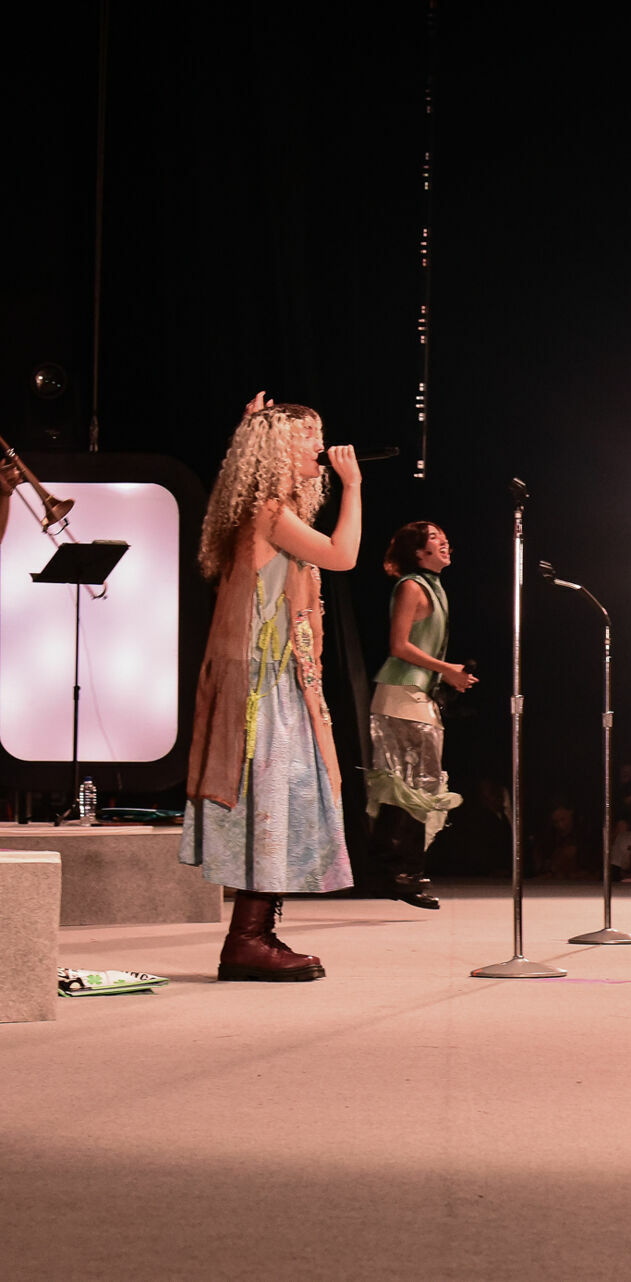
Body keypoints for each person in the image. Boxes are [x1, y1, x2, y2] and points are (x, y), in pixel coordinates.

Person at [179, 393, 360, 982]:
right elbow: (342, 555)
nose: (318, 447)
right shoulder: (267, 512)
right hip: (263, 687)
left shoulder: (269, 508)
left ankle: (256, 932)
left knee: (283, 800)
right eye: (307, 436)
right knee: (272, 800)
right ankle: (247, 939)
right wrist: (353, 487)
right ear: (276, 448)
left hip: (278, 678)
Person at [365, 521, 477, 909]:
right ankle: (400, 874)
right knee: (411, 786)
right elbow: (399, 646)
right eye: (435, 539)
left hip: (417, 695)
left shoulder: (433, 586)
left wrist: (447, 675)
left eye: (445, 537)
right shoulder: (412, 586)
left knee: (416, 786)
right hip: (401, 695)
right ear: (417, 551)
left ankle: (400, 872)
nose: (444, 542)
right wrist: (446, 669)